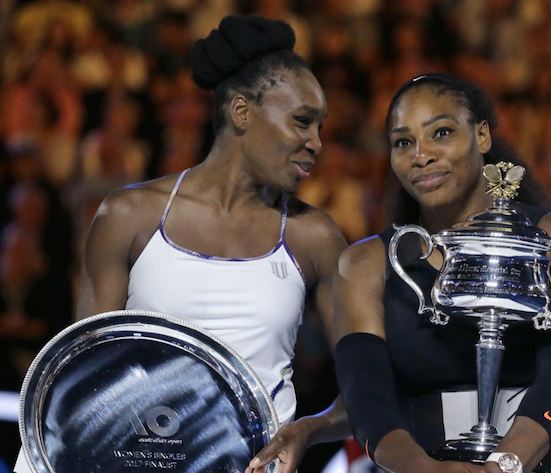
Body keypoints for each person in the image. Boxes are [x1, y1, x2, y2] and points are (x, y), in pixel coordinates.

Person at [13, 15, 350, 473]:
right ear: (241, 112)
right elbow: (84, 381)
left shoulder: (316, 237)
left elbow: (367, 391)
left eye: (320, 128)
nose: (316, 143)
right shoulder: (128, 216)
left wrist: (307, 429)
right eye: (302, 122)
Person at [334, 73, 551, 473]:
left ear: (482, 136)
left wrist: (505, 465)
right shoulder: (364, 264)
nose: (421, 155)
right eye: (403, 142)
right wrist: (426, 471)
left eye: (441, 132)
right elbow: (368, 399)